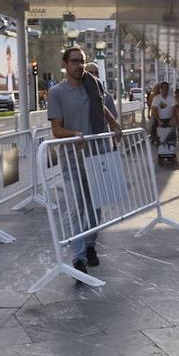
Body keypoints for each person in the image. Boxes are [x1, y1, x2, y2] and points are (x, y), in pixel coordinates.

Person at [47, 47, 123, 276]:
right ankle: (78, 256)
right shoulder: (57, 93)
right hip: (72, 159)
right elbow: (56, 130)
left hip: (96, 153)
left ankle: (90, 244)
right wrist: (74, 134)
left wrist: (114, 124)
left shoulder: (93, 85)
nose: (79, 65)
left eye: (82, 61)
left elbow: (101, 107)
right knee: (75, 205)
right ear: (65, 63)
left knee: (94, 203)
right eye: (74, 61)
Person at [150, 82, 174, 147]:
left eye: (166, 87)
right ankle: (155, 140)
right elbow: (154, 110)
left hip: (169, 119)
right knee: (159, 136)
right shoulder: (156, 98)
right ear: (161, 89)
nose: (165, 89)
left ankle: (169, 153)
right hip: (159, 119)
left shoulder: (171, 97)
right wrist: (158, 120)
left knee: (170, 138)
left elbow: (174, 109)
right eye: (163, 87)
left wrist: (172, 119)